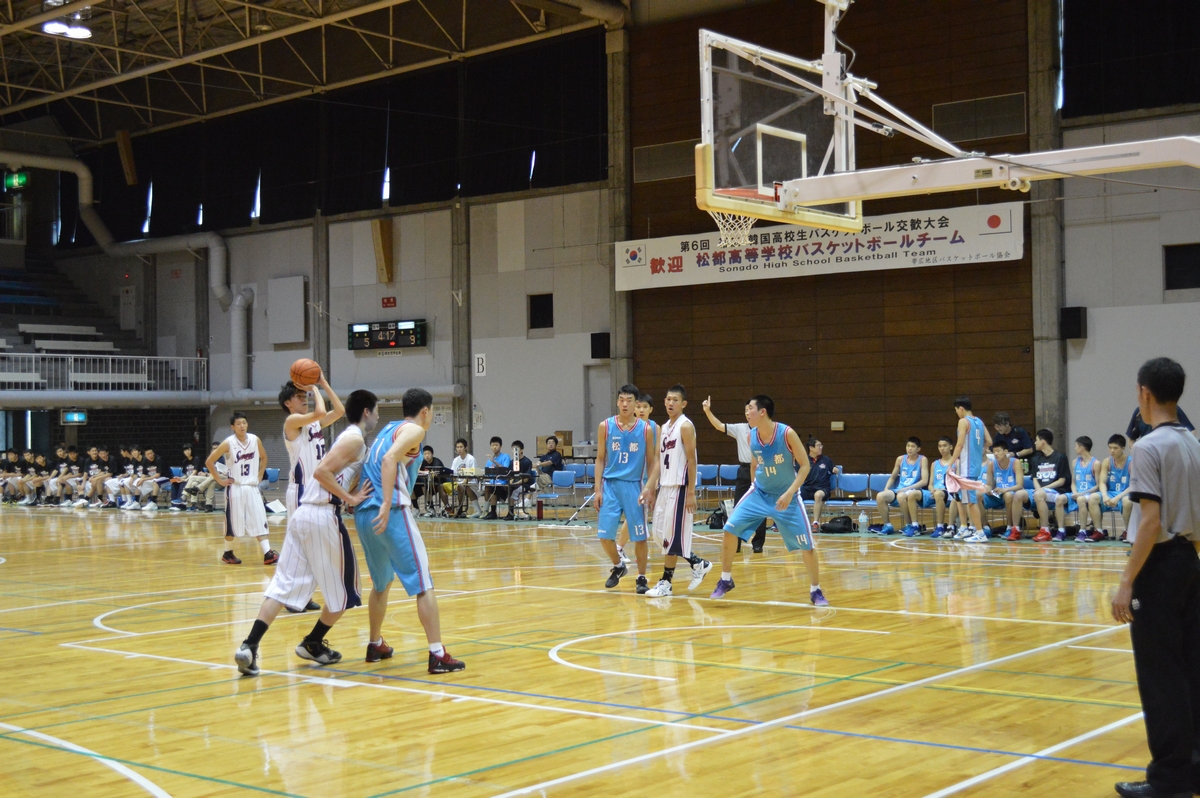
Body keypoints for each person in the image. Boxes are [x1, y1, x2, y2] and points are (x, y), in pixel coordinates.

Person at [234, 390, 377, 677]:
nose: (377, 416)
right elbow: (322, 473)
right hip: (321, 514)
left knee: (282, 585)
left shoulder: (336, 436)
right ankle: (312, 642)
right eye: (376, 411)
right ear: (366, 412)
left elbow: (333, 473)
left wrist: (351, 492)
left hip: (303, 514)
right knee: (347, 592)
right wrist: (350, 500)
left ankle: (249, 646)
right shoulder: (351, 438)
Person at [1110, 357, 1200, 798]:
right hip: (1189, 562)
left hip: (1160, 567)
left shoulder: (1147, 446)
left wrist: (1127, 581)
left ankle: (1167, 780)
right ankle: (1194, 769)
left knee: (1161, 676)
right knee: (1190, 671)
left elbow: (1149, 521)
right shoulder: (1193, 443)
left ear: (1144, 392)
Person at [354, 388, 466, 673]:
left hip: (364, 515)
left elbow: (374, 462)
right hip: (387, 512)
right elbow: (390, 460)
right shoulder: (415, 431)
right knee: (423, 583)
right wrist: (388, 501)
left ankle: (375, 643)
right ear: (425, 412)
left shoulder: (388, 430)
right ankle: (437, 654)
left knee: (381, 583)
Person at [710, 394, 828, 606]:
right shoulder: (751, 436)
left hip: (787, 496)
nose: (747, 412)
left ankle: (815, 590)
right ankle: (725, 579)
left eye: (750, 409)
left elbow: (805, 466)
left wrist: (790, 492)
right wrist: (756, 484)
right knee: (729, 529)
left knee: (807, 545)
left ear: (762, 412)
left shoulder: (786, 433)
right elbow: (755, 463)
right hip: (760, 493)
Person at [645, 385, 711, 597]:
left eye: (675, 400)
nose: (670, 403)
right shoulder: (664, 427)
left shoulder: (685, 426)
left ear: (683, 404)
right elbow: (657, 461)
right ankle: (697, 563)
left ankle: (666, 582)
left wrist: (691, 491)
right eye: (667, 399)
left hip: (681, 487)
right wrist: (650, 488)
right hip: (664, 487)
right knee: (658, 534)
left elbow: (692, 460)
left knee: (671, 537)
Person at [594, 383, 659, 594]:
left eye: (629, 401)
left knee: (639, 536)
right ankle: (619, 565)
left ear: (635, 404)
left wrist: (650, 489)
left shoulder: (645, 429)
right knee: (604, 536)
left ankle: (641, 577)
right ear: (617, 402)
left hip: (634, 486)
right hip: (610, 485)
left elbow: (652, 462)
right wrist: (598, 489)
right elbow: (600, 459)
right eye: (621, 400)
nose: (624, 404)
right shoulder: (606, 426)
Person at [207, 413, 277, 566]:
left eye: (244, 423)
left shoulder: (254, 439)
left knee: (259, 518)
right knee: (233, 523)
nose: (242, 426)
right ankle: (228, 552)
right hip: (235, 487)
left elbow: (264, 457)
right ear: (233, 427)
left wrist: (260, 474)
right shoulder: (228, 443)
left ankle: (268, 553)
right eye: (238, 423)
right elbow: (210, 461)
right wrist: (219, 480)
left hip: (252, 487)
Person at [701, 396, 767, 553]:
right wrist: (707, 411)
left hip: (761, 471)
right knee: (738, 509)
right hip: (744, 471)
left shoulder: (765, 430)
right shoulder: (740, 428)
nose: (747, 413)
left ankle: (758, 543)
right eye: (745, 410)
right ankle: (735, 543)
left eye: (750, 409)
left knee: (760, 508)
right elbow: (719, 426)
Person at [281, 375, 344, 516]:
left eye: (305, 395)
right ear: (287, 403)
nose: (305, 399)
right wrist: (315, 388)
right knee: (300, 538)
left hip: (319, 487)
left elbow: (340, 411)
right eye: (299, 396)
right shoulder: (291, 421)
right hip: (301, 489)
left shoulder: (314, 423)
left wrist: (324, 382)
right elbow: (320, 412)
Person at [1015, 429, 1070, 542]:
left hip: (1056, 491)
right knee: (1018, 494)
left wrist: (1043, 489)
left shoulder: (1060, 457)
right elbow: (1034, 478)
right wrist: (1038, 489)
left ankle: (1045, 530)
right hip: (1039, 491)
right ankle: (1015, 529)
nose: (1034, 443)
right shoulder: (1036, 459)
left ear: (1043, 442)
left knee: (1039, 494)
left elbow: (1061, 481)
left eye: (1036, 440)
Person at [949, 397, 989, 542]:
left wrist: (950, 463)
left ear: (961, 408)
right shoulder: (979, 421)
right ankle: (964, 528)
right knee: (962, 498)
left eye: (956, 411)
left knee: (971, 501)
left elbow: (959, 445)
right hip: (976, 465)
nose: (957, 414)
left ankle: (980, 533)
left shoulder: (963, 421)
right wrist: (978, 450)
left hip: (967, 466)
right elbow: (989, 441)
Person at [875, 437, 928, 536]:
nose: (909, 448)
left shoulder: (922, 459)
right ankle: (888, 525)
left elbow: (924, 481)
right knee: (880, 496)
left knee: (901, 496)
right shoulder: (900, 459)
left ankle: (909, 525)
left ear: (918, 449)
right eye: (908, 446)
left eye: (912, 446)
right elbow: (893, 477)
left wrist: (906, 489)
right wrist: (886, 488)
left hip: (913, 490)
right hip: (900, 489)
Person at [1054, 436, 1102, 542]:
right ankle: (1061, 531)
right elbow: (1073, 482)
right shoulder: (1075, 462)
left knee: (1081, 499)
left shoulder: (1096, 463)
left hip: (1089, 493)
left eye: (1076, 446)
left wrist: (1082, 493)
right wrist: (1075, 492)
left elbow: (1097, 486)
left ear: (1081, 447)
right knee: (1059, 499)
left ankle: (1082, 531)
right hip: (1077, 493)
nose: (1074, 448)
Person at [983, 439, 1026, 541]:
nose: (996, 454)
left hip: (1013, 494)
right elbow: (989, 484)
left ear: (1006, 452)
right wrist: (988, 489)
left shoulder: (1015, 462)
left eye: (998, 451)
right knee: (977, 495)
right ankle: (985, 527)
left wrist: (1004, 489)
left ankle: (1010, 527)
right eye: (994, 452)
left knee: (1008, 495)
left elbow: (1020, 485)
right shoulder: (991, 464)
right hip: (998, 494)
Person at [920, 437, 961, 539]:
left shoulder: (957, 462)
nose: (942, 448)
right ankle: (913, 525)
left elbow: (959, 481)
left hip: (949, 491)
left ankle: (940, 527)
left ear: (951, 447)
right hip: (936, 491)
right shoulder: (934, 464)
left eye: (944, 446)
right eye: (940, 446)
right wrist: (932, 489)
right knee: (914, 494)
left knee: (939, 494)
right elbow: (930, 484)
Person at [1099, 433, 1134, 537]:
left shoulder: (1132, 462)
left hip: (1125, 494)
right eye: (1110, 448)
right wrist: (1105, 495)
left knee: (1127, 501)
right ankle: (1098, 530)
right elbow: (1101, 482)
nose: (1112, 451)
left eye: (1115, 448)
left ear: (1123, 448)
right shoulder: (1107, 462)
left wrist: (1117, 498)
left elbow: (1134, 485)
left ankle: (1128, 531)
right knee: (1093, 498)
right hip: (1110, 494)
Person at [801, 437, 835, 533]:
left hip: (822, 488)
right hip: (807, 488)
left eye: (821, 445)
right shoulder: (804, 460)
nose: (821, 447)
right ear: (811, 448)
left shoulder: (826, 459)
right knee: (793, 495)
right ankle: (794, 522)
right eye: (819, 445)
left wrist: (835, 469)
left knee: (818, 495)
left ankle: (815, 523)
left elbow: (834, 468)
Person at [1127, 404, 1196, 442]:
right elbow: (1131, 439)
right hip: (1148, 456)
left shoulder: (1173, 409)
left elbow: (1192, 431)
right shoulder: (1139, 412)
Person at [481, 436, 512, 520]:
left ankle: (493, 511)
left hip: (503, 483)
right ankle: (488, 511)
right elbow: (487, 473)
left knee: (493, 487)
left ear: (500, 446)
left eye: (496, 445)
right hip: (492, 483)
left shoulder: (505, 457)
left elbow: (504, 470)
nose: (494, 447)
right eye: (492, 445)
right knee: (487, 486)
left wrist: (494, 461)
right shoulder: (489, 461)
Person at [413, 446, 448, 517]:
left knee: (424, 485)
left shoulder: (437, 462)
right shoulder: (422, 462)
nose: (427, 456)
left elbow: (436, 473)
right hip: (426, 484)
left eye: (428, 454)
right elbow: (417, 470)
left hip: (437, 484)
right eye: (425, 454)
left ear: (432, 454)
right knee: (412, 488)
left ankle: (431, 508)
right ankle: (416, 509)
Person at [449, 438, 479, 518]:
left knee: (463, 487)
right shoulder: (455, 460)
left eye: (461, 447)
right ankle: (448, 509)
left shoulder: (471, 459)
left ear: (465, 448)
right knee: (442, 487)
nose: (459, 449)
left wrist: (464, 482)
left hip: (471, 483)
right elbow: (453, 473)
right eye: (457, 447)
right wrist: (455, 482)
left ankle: (460, 509)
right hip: (459, 483)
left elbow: (473, 473)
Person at [509, 441, 535, 521]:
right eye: (513, 449)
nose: (514, 451)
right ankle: (510, 513)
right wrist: (510, 482)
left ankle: (512, 512)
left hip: (525, 485)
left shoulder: (527, 462)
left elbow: (526, 478)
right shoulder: (511, 462)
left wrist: (516, 483)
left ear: (521, 450)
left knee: (513, 490)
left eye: (516, 449)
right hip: (515, 484)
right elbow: (511, 476)